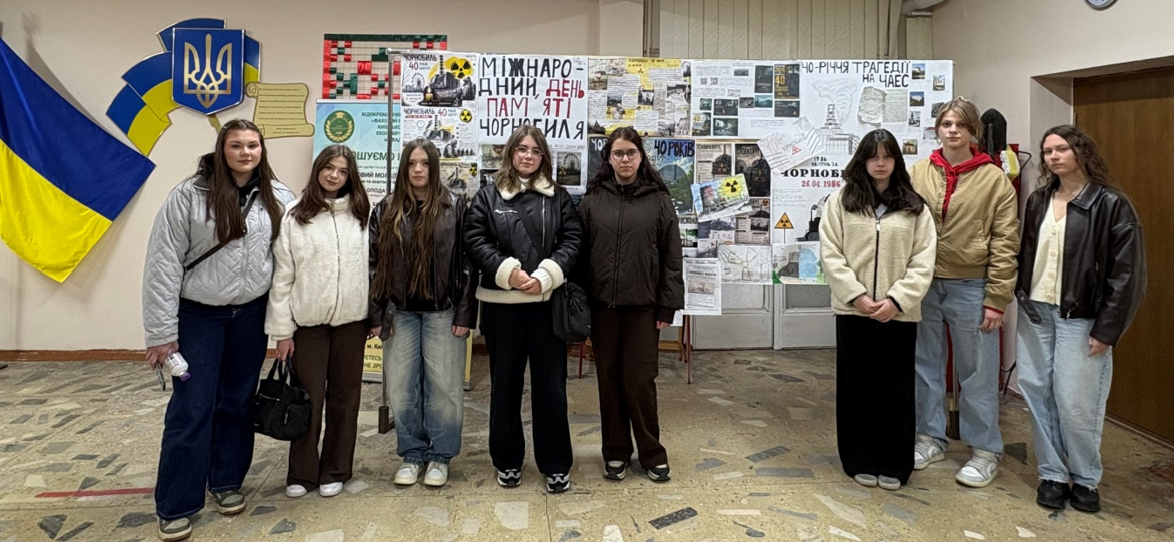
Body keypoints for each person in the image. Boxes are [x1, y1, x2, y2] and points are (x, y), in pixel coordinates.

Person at [142, 119, 294, 541]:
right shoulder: (189, 196)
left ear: (262, 150)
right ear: (221, 149)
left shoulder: (278, 196)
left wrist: (285, 324)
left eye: (253, 145)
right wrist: (161, 332)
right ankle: (177, 503)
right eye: (236, 145)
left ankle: (227, 481)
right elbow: (162, 265)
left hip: (250, 316)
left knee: (238, 401)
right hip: (199, 317)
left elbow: (286, 262)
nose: (246, 153)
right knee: (192, 407)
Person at [1016, 125, 1145, 513]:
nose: (1053, 156)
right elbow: (1027, 252)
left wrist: (1108, 329)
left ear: (1082, 152)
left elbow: (1127, 275)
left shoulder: (1111, 204)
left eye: (1062, 149)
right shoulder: (1039, 200)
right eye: (1047, 151)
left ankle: (1085, 478)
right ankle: (1052, 474)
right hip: (1037, 312)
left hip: (1082, 317)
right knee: (1038, 394)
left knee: (1076, 403)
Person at [465, 125, 583, 493]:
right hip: (503, 309)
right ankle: (507, 460)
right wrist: (508, 273)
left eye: (534, 150)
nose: (527, 156)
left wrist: (547, 275)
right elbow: (475, 239)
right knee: (505, 388)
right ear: (510, 153)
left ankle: (555, 463)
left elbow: (573, 240)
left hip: (547, 306)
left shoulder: (559, 197)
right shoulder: (487, 196)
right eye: (521, 149)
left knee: (551, 389)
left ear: (543, 156)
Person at [909, 97, 1020, 488]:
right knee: (925, 366)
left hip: (972, 286)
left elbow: (1006, 241)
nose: (952, 130)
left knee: (978, 372)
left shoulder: (994, 180)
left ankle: (985, 450)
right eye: (946, 124)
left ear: (974, 131)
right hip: (924, 284)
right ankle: (929, 438)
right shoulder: (918, 172)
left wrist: (997, 299)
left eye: (960, 124)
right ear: (937, 129)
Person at [819, 129, 937, 491]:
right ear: (863, 160)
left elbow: (923, 259)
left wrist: (897, 300)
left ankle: (895, 462)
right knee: (856, 388)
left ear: (897, 161)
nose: (880, 163)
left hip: (898, 314)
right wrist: (856, 296)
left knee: (896, 389)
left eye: (887, 156)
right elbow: (831, 253)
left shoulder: (914, 206)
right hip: (854, 312)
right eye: (873, 156)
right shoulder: (841, 201)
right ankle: (859, 458)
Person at [577, 127, 684, 482]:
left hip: (644, 308)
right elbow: (579, 255)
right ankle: (616, 452)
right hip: (602, 308)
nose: (625, 159)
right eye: (618, 153)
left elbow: (672, 257)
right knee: (608, 382)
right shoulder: (592, 201)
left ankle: (652, 453)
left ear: (641, 157)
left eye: (631, 153)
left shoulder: (659, 200)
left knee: (640, 382)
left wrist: (668, 306)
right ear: (608, 158)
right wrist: (580, 303)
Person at [369, 138, 477, 488]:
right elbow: (373, 265)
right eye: (412, 163)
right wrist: (375, 315)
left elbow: (467, 264)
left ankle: (440, 456)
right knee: (401, 388)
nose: (418, 169)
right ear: (404, 167)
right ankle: (412, 453)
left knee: (444, 387)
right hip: (398, 313)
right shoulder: (385, 209)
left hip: (443, 312)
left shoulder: (454, 207)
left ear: (434, 167)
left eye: (425, 163)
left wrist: (464, 314)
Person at [265, 145, 371, 500]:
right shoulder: (295, 216)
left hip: (352, 323)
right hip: (308, 325)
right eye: (329, 168)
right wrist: (282, 332)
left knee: (345, 399)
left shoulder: (362, 215)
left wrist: (374, 316)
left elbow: (374, 270)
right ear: (317, 169)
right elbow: (282, 278)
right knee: (306, 399)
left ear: (350, 176)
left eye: (342, 171)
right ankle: (302, 472)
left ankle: (336, 469)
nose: (334, 176)